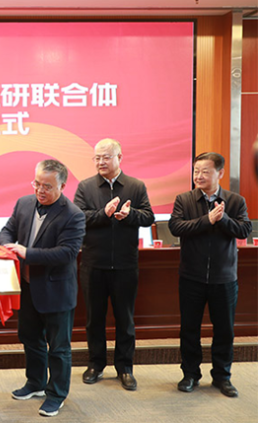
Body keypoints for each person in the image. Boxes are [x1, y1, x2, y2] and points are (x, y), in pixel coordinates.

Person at [0, 159, 85, 417]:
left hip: (56, 291)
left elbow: (67, 253)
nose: (40, 190)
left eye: (47, 186)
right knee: (30, 338)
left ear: (62, 186)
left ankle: (56, 394)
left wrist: (27, 253)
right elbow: (7, 231)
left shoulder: (73, 215)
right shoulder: (24, 203)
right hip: (27, 288)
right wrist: (7, 247)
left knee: (58, 347)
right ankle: (35, 383)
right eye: (37, 183)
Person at [73, 138, 154, 391]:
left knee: (125, 319)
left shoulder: (135, 186)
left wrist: (130, 215)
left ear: (119, 157)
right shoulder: (85, 187)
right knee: (94, 319)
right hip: (93, 264)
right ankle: (95, 364)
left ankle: (125, 367)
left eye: (106, 157)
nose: (100, 162)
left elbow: (148, 216)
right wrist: (103, 214)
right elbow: (78, 218)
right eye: (97, 157)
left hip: (125, 265)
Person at [169, 152, 252, 398]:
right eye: (196, 171)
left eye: (205, 171)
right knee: (189, 329)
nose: (199, 176)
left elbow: (244, 230)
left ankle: (222, 377)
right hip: (191, 277)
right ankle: (190, 374)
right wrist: (207, 220)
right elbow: (176, 227)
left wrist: (223, 219)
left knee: (224, 330)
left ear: (220, 173)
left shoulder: (235, 201)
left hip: (224, 278)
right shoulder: (184, 199)